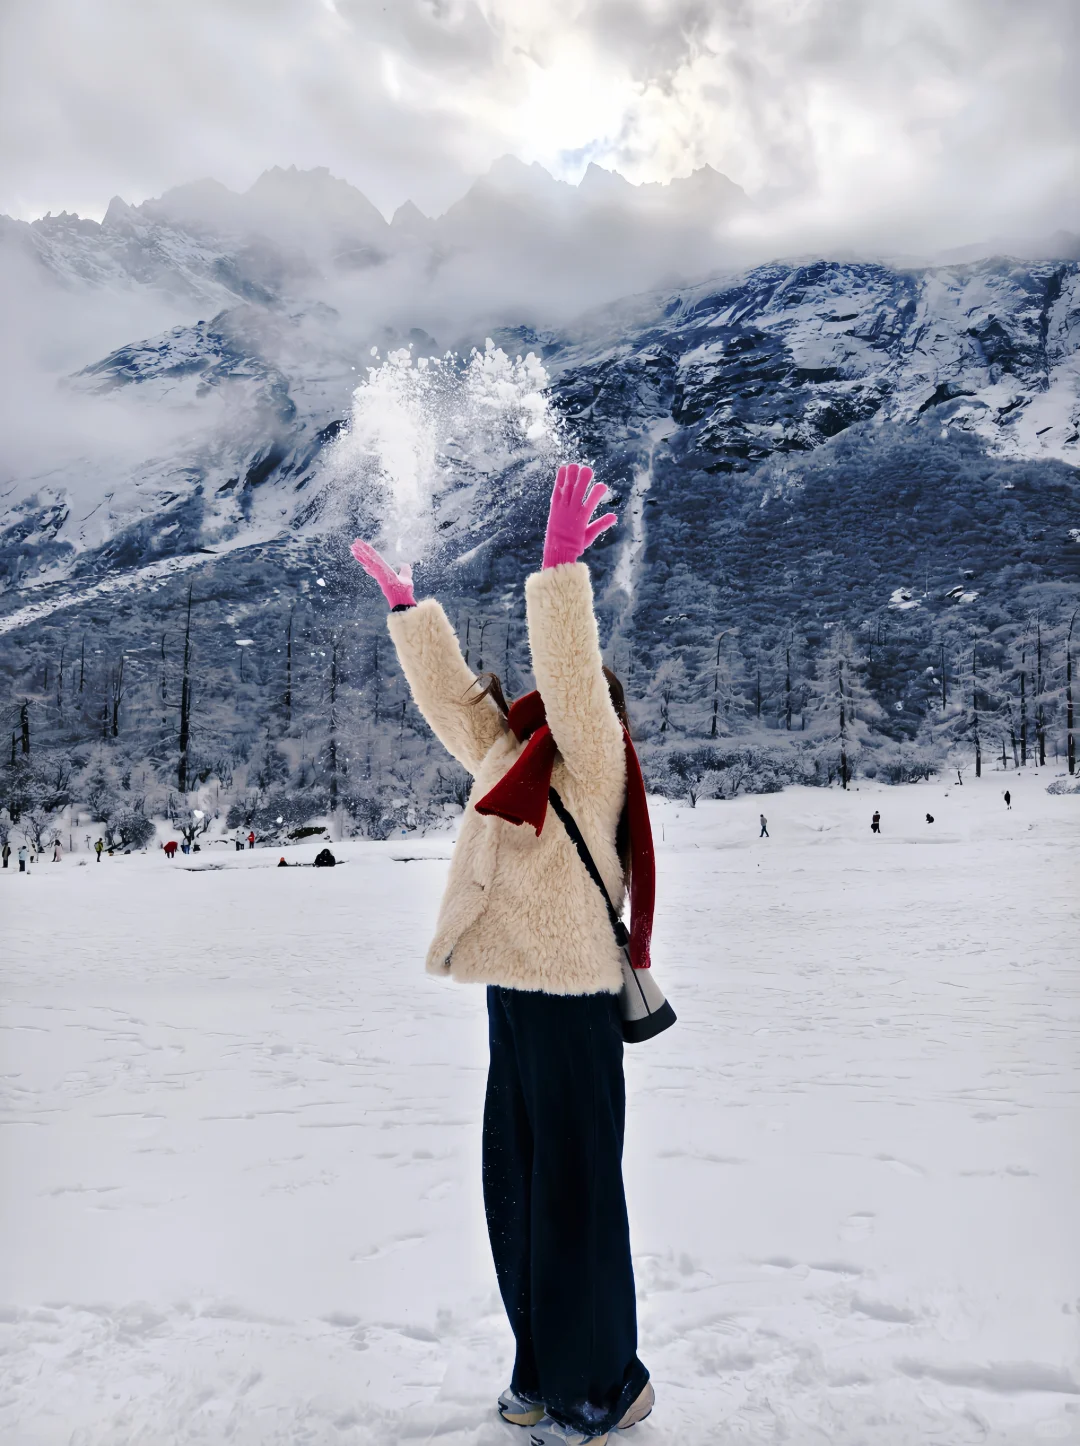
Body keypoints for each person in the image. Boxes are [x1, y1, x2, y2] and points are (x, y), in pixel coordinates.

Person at [351, 464, 655, 1445]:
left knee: (575, 1195)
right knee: (517, 1193)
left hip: (571, 1000)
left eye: (559, 698)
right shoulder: (507, 754)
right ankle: (538, 1369)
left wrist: (559, 579)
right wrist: (409, 610)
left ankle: (603, 1384)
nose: (536, 702)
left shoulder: (594, 758)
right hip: (513, 1000)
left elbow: (570, 676)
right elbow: (454, 704)